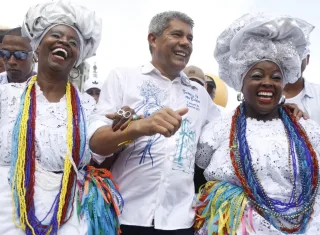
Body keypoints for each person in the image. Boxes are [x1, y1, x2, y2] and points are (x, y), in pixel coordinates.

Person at [88, 11, 221, 235]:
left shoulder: (199, 94)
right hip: (125, 214)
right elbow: (96, 143)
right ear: (152, 39)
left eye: (190, 38)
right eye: (177, 34)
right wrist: (140, 127)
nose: (185, 43)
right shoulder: (124, 77)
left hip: (180, 221)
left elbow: (227, 131)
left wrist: (285, 108)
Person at [0, 1, 123, 235]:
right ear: (37, 46)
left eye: (73, 41)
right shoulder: (6, 95)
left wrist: (134, 130)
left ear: (77, 57)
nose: (64, 41)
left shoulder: (86, 104)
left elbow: (99, 140)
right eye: (56, 34)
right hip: (6, 210)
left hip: (67, 215)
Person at [194, 14, 320, 235]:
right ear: (240, 82)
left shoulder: (308, 130)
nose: (267, 83)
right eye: (257, 75)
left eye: (276, 77)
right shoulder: (218, 130)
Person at [283, 43, 320, 125]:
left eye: (299, 55)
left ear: (307, 59)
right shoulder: (259, 97)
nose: (293, 62)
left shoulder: (318, 93)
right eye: (287, 57)